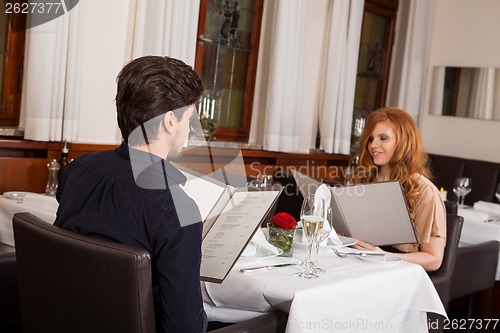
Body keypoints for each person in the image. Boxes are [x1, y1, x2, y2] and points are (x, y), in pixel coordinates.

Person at [54, 56, 208, 332]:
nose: (189, 131)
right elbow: (183, 327)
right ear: (170, 121)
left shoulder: (78, 170)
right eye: (190, 119)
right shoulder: (177, 209)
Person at [351, 107, 446, 271]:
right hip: (359, 262)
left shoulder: (424, 191)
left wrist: (382, 256)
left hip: (398, 271)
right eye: (371, 139)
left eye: (383, 138)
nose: (373, 145)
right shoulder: (365, 179)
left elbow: (434, 260)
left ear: (403, 142)